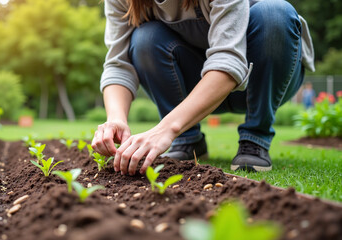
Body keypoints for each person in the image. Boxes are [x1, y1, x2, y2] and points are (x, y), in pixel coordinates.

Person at [92, 0, 315, 175]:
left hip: (264, 79)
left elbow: (229, 60)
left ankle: (255, 138)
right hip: (197, 86)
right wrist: (116, 119)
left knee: (275, 13)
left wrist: (165, 129)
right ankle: (188, 141)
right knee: (144, 38)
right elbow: (118, 64)